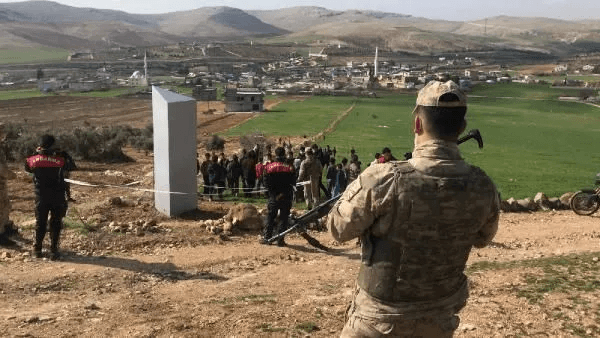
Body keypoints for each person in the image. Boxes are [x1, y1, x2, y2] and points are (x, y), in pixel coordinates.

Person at [327, 80, 500, 337]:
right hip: (438, 319)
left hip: (377, 321)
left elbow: (337, 228)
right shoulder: (483, 185)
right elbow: (484, 239)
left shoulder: (384, 178)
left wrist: (364, 181)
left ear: (417, 124)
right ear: (461, 126)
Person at [25, 134, 74, 260]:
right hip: (57, 196)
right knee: (56, 222)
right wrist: (65, 154)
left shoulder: (34, 159)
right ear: (52, 145)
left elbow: (27, 167)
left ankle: (37, 249)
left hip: (41, 196)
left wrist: (35, 152)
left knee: (40, 223)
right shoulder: (59, 160)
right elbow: (72, 166)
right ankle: (54, 250)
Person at [260, 147, 296, 247]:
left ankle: (267, 238)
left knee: (270, 217)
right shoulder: (290, 167)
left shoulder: (268, 167)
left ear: (275, 154)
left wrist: (273, 193)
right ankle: (280, 240)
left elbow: (265, 183)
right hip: (286, 196)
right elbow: (293, 182)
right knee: (284, 218)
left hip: (273, 196)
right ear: (284, 154)